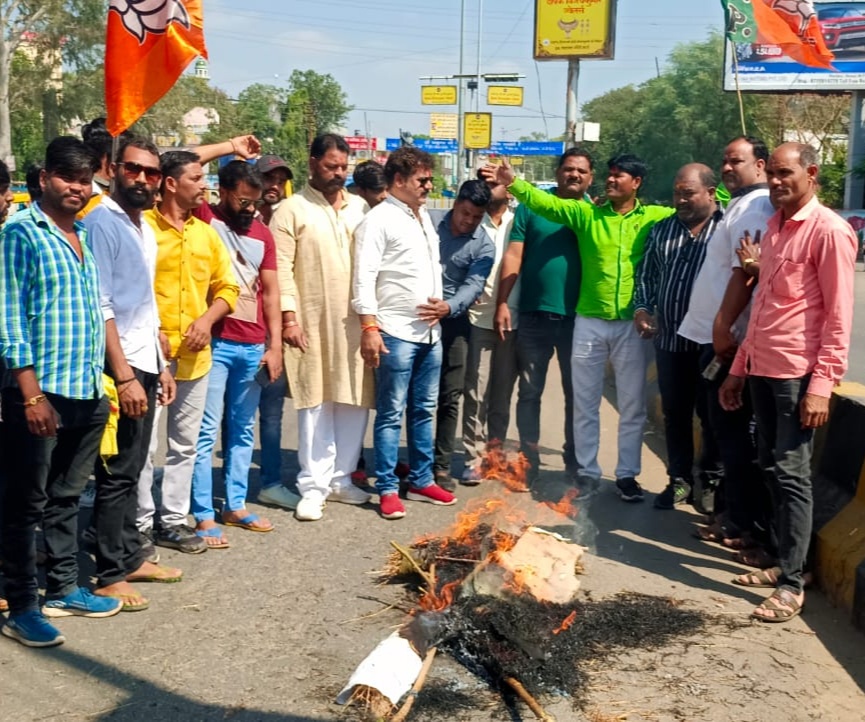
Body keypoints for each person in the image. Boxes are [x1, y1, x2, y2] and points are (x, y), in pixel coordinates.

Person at [720, 142, 857, 623]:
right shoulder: (776, 228)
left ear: (811, 173)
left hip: (796, 374)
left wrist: (821, 385)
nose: (776, 182)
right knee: (769, 466)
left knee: (792, 474)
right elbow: (764, 308)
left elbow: (838, 317)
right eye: (772, 174)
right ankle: (783, 560)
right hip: (762, 367)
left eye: (785, 173)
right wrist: (738, 370)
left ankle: (793, 584)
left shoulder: (829, 231)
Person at [484, 155, 674, 502]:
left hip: (630, 324)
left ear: (636, 183)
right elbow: (546, 204)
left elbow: (695, 208)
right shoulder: (587, 215)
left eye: (619, 176)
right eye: (610, 175)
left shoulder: (653, 217)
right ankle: (586, 473)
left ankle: (627, 475)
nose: (611, 181)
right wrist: (514, 183)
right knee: (583, 403)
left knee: (632, 405)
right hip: (586, 321)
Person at [0, 137, 121, 648]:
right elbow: (9, 318)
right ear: (45, 178)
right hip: (41, 394)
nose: (78, 187)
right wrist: (30, 395)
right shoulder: (20, 233)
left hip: (85, 389)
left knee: (67, 496)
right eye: (68, 177)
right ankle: (21, 607)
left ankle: (64, 588)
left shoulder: (84, 234)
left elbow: (94, 310)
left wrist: (108, 384)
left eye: (85, 179)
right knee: (24, 503)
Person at [84, 136, 182, 609]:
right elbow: (101, 304)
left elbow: (143, 303)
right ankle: (108, 572)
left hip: (145, 359)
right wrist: (123, 376)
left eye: (151, 172)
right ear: (113, 169)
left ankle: (129, 556)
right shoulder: (101, 222)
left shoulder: (142, 226)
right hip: (117, 362)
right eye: (133, 169)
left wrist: (161, 367)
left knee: (135, 465)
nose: (142, 179)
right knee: (117, 471)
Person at [139, 151, 239, 554]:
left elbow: (228, 287)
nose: (204, 185)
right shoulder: (143, 227)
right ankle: (139, 523)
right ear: (170, 183)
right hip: (150, 356)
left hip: (196, 357)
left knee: (186, 444)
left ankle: (173, 521)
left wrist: (207, 320)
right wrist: (153, 331)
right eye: (196, 178)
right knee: (144, 447)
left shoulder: (206, 234)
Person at [678, 136, 775, 550]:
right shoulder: (742, 204)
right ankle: (727, 516)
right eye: (725, 161)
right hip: (714, 338)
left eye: (737, 160)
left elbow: (747, 274)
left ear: (760, 165)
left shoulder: (757, 207)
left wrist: (724, 328)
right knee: (720, 433)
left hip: (729, 343)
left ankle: (739, 522)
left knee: (733, 437)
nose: (728, 167)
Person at [352, 146, 457, 519]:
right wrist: (369, 326)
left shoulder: (422, 215)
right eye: (422, 180)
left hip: (429, 333)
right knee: (391, 412)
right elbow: (364, 277)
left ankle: (421, 479)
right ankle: (386, 487)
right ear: (398, 180)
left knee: (424, 409)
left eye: (430, 179)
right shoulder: (378, 220)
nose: (429, 186)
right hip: (395, 332)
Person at [273, 133, 374, 522]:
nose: (339, 173)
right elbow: (281, 269)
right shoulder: (291, 210)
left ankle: (341, 479)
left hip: (356, 322)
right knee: (314, 401)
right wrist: (289, 318)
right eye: (332, 166)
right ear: (313, 163)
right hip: (311, 321)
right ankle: (313, 487)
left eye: (344, 167)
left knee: (353, 399)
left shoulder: (360, 207)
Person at [190, 160, 283, 545]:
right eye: (243, 201)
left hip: (253, 346)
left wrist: (274, 345)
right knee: (206, 430)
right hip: (215, 343)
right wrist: (230, 148)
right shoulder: (205, 218)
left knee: (243, 429)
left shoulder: (263, 233)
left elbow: (272, 293)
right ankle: (202, 513)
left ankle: (235, 504)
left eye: (255, 203)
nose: (250, 210)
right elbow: (188, 160)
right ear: (223, 191)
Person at [494, 149, 592, 483]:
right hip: (534, 316)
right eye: (568, 169)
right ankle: (529, 461)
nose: (574, 175)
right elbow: (514, 255)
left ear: (590, 178)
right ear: (558, 171)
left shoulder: (594, 213)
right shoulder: (531, 207)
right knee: (530, 393)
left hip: (579, 321)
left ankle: (575, 461)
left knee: (577, 396)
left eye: (581, 171)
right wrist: (503, 302)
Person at [633, 164, 724, 510]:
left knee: (713, 416)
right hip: (670, 342)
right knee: (675, 413)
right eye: (677, 193)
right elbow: (646, 276)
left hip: (712, 346)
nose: (681, 200)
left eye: (688, 193)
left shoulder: (727, 229)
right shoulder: (662, 230)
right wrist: (642, 309)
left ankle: (711, 482)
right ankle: (680, 481)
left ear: (710, 193)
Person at [430, 180, 495, 491]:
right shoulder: (427, 223)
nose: (468, 221)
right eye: (465, 213)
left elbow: (474, 285)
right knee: (412, 395)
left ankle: (441, 466)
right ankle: (414, 463)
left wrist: (448, 306)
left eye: (476, 217)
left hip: (454, 321)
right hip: (415, 317)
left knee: (450, 395)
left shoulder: (484, 245)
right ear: (455, 204)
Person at [461, 171, 518, 484]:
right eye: (484, 181)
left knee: (502, 394)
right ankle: (473, 457)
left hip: (513, 319)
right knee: (476, 391)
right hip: (478, 318)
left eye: (495, 182)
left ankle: (495, 457)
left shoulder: (519, 222)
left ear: (509, 189)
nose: (488, 186)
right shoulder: (472, 220)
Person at [253, 153, 296, 508]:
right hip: (236, 330)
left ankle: (271, 482)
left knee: (271, 415)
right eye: (269, 179)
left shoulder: (286, 218)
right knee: (230, 417)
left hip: (274, 332)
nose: (275, 186)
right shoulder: (241, 219)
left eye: (280, 181)